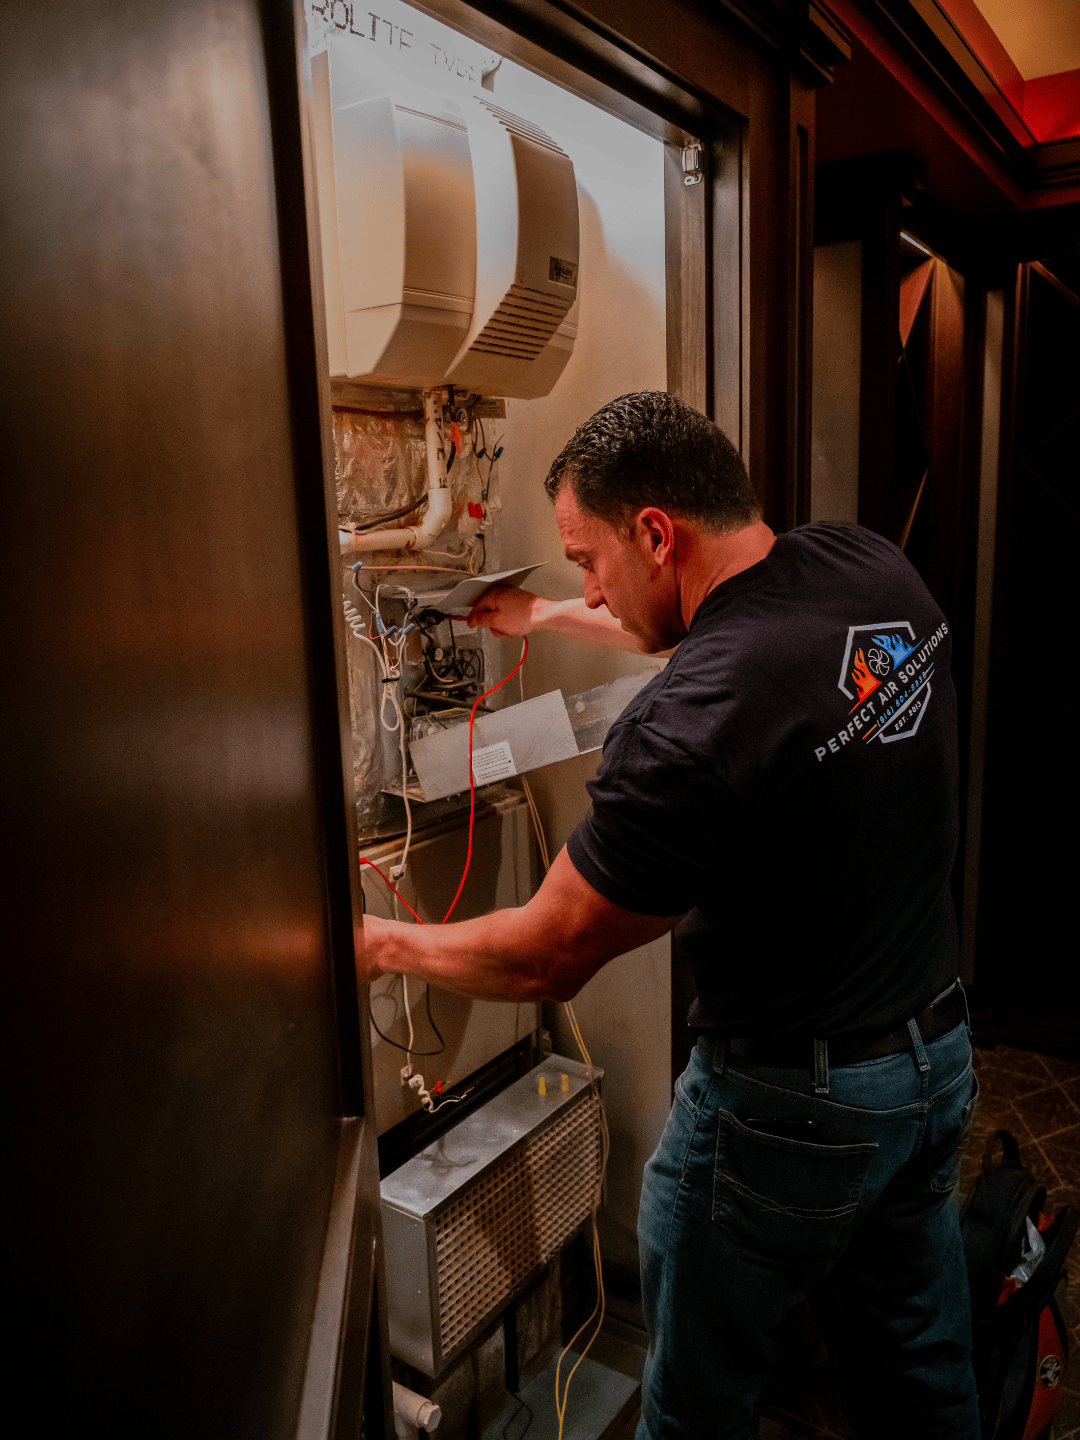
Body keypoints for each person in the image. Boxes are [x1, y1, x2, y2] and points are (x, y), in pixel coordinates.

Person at [360, 391, 979, 1440]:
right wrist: (544, 619)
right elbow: (741, 652)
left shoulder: (683, 732)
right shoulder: (863, 565)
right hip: (934, 1059)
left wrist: (381, 941)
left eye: (585, 563)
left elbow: (547, 956)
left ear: (656, 532)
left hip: (789, 1110)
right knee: (922, 1379)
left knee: (697, 1407)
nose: (584, 585)